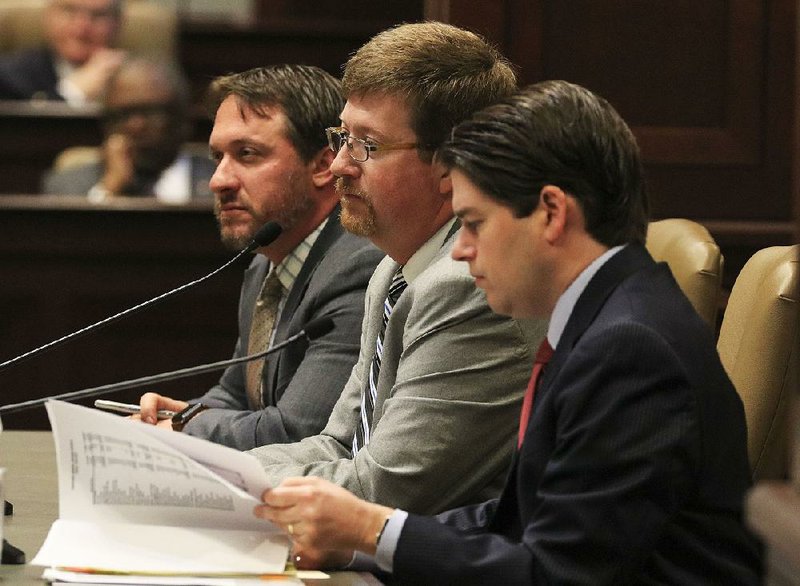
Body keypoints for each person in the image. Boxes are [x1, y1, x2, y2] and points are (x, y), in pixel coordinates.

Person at [255, 80, 763, 584]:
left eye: (474, 223)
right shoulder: (605, 316)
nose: (460, 250)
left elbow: (558, 575)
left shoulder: (629, 348)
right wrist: (361, 542)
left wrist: (374, 528)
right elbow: (517, 520)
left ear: (551, 213)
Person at [247, 21, 546, 527]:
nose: (340, 165)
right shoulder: (395, 269)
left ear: (452, 163)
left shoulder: (467, 285)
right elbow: (341, 441)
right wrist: (203, 472)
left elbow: (383, 488)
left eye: (368, 145)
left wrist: (221, 487)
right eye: (342, 136)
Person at [131, 65, 384, 450]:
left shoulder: (356, 267)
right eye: (218, 157)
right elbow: (236, 394)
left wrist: (187, 431)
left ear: (322, 165)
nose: (219, 180)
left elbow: (298, 429)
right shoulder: (267, 260)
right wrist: (181, 414)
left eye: (247, 154)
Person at [42, 57, 214, 203]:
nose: (135, 125)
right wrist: (109, 189)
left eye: (150, 112)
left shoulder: (221, 181)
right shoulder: (65, 187)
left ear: (183, 119)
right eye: (123, 115)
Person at [0, 0, 126, 104]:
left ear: (118, 23)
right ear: (48, 16)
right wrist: (74, 92)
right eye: (69, 11)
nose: (81, 27)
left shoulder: (137, 78)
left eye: (98, 15)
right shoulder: (9, 77)